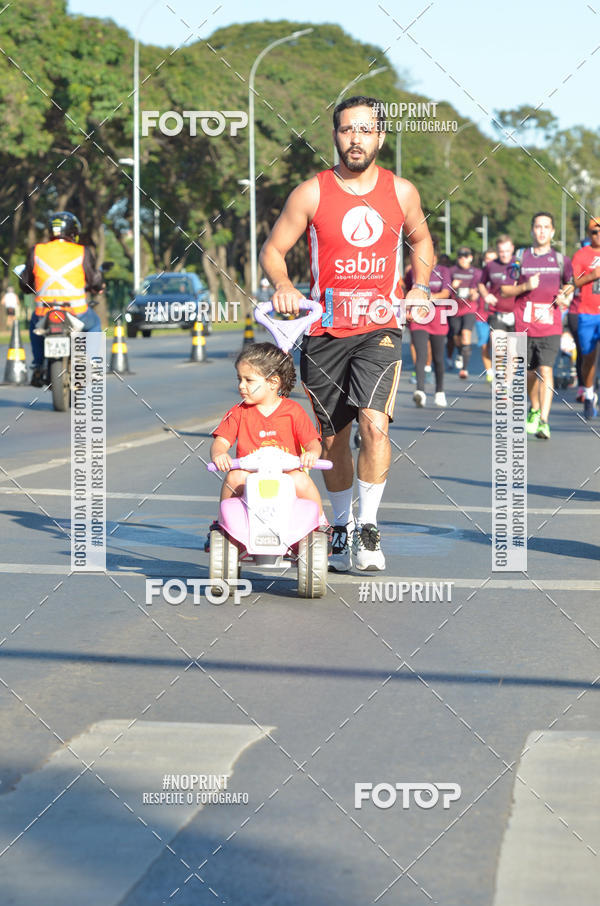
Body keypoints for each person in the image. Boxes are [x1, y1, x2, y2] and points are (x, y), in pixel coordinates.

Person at [260, 95, 433, 571]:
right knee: (334, 437)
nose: (355, 139)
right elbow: (274, 250)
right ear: (335, 136)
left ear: (380, 136)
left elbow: (421, 241)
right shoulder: (312, 192)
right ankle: (340, 526)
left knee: (374, 425)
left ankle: (369, 529)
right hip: (324, 331)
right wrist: (283, 285)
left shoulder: (401, 192)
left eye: (364, 130)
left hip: (380, 328)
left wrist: (419, 288)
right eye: (345, 130)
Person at [210, 342, 324, 514]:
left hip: (286, 474)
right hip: (250, 474)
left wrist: (312, 454)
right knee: (234, 477)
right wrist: (219, 454)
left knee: (301, 480)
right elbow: (221, 442)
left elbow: (312, 443)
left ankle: (321, 521)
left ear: (273, 382)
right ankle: (223, 521)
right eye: (239, 379)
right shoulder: (238, 412)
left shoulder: (293, 411)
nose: (241, 385)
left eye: (248, 380)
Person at [500, 212, 573, 439]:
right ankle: (533, 409)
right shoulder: (520, 258)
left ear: (552, 232)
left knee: (546, 370)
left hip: (550, 325)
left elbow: (570, 285)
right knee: (531, 373)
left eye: (546, 227)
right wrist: (525, 286)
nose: (541, 231)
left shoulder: (561, 260)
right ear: (532, 230)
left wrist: (565, 298)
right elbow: (506, 289)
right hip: (525, 325)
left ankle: (544, 421)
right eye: (538, 227)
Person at [19, 211, 103, 386]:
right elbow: (94, 279)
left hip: (45, 314)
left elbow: (25, 282)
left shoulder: (37, 250)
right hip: (76, 313)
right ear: (73, 232)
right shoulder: (82, 251)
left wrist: (28, 287)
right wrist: (98, 287)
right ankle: (94, 363)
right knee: (95, 324)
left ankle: (38, 365)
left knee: (34, 326)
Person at [406, 242, 451, 407]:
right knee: (421, 355)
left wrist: (428, 297)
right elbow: (407, 291)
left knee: (439, 358)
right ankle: (420, 391)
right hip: (419, 319)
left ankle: (439, 391)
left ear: (435, 258)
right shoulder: (412, 272)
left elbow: (446, 293)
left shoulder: (443, 272)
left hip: (439, 319)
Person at [571, 217, 600, 419]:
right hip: (587, 313)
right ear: (589, 235)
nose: (598, 235)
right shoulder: (581, 254)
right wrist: (593, 275)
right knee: (588, 358)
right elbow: (574, 282)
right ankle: (588, 394)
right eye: (594, 232)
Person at [477, 235, 517, 381]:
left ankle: (508, 383)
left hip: (516, 313)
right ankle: (500, 378)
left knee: (513, 353)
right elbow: (481, 283)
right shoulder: (490, 266)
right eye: (501, 251)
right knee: (498, 348)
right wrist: (486, 295)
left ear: (512, 249)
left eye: (507, 251)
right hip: (497, 312)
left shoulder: (519, 264)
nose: (504, 254)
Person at [448, 247, 481, 379]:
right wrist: (452, 286)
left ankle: (464, 369)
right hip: (455, 308)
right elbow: (445, 288)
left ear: (471, 257)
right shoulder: (451, 271)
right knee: (456, 335)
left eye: (466, 256)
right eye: (461, 256)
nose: (463, 258)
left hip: (469, 308)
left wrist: (475, 294)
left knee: (465, 334)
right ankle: (460, 353)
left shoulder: (476, 272)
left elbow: (478, 289)